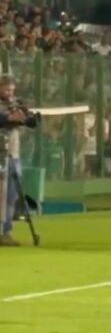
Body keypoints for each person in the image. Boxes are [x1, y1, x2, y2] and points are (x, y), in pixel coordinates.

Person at [0, 75, 39, 246]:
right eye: (6, 89)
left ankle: (6, 231)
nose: (9, 93)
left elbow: (32, 121)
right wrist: (10, 118)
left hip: (13, 153)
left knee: (12, 194)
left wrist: (26, 117)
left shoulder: (16, 103)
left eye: (11, 90)